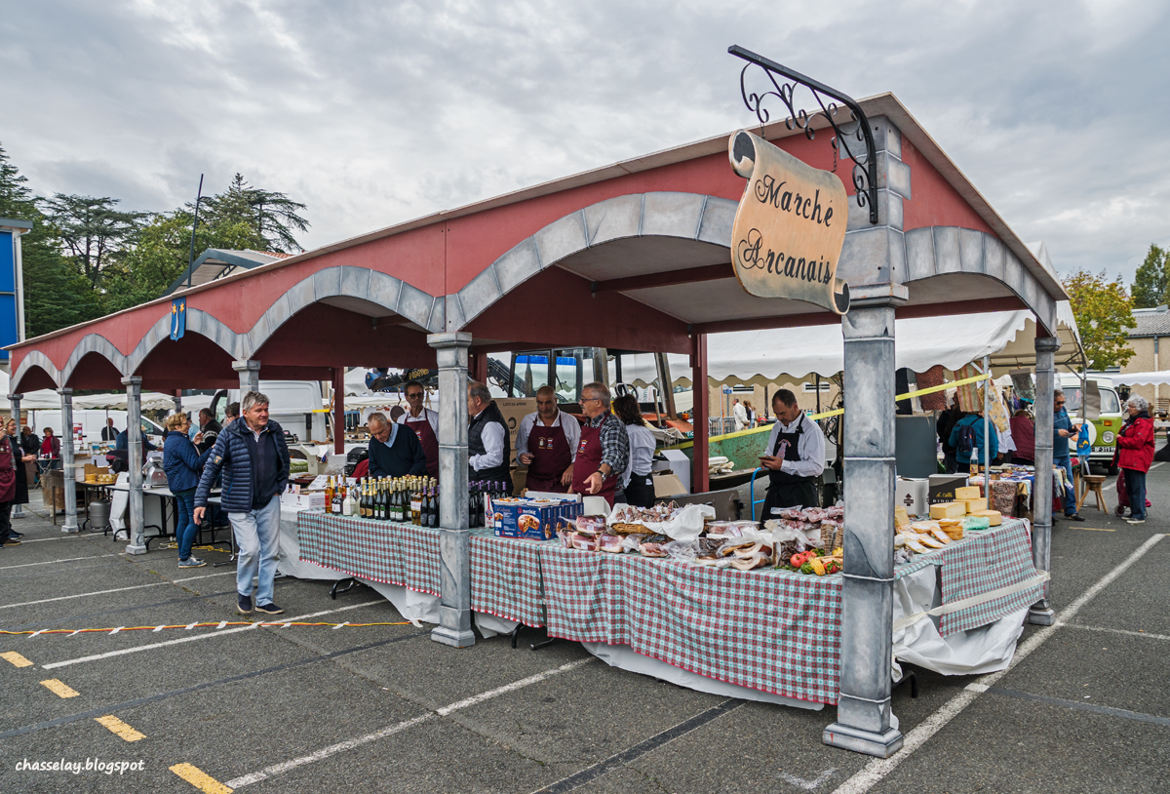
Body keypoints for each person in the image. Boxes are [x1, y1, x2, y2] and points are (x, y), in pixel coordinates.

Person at [193, 391, 290, 616]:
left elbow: (284, 461)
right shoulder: (229, 434)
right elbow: (211, 468)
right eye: (259, 410)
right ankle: (244, 592)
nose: (264, 414)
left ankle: (265, 599)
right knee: (251, 549)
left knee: (271, 552)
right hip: (238, 502)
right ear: (245, 413)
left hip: (269, 500)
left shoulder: (274, 430)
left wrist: (279, 488)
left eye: (266, 409)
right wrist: (200, 501)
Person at [760, 389, 825, 516]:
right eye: (776, 414)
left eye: (783, 413)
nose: (779, 417)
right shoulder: (777, 427)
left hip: (800, 496)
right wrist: (767, 460)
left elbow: (817, 467)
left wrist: (783, 465)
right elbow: (770, 452)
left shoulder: (811, 430)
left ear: (794, 407)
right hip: (776, 495)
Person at [163, 413, 212, 568]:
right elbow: (195, 463)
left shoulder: (171, 440)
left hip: (177, 485)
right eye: (185, 423)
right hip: (188, 484)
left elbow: (184, 457)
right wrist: (211, 450)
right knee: (195, 520)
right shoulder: (180, 441)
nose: (189, 425)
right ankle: (185, 557)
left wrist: (194, 444)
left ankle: (183, 554)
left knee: (183, 519)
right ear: (177, 426)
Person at [570, 382, 628, 506]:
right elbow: (584, 459)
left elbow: (613, 455)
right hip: (582, 496)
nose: (580, 403)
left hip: (604, 499)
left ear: (597, 402)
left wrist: (600, 474)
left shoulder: (612, 425)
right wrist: (573, 486)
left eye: (584, 400)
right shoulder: (588, 423)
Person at [515, 385, 579, 493]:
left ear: (555, 400)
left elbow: (579, 452)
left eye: (548, 403)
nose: (544, 407)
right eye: (540, 403)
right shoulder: (527, 421)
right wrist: (522, 457)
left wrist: (573, 466)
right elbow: (520, 450)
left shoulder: (570, 421)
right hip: (534, 484)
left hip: (562, 483)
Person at [1116, 395, 1154, 525]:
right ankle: (1134, 512)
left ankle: (1139, 514)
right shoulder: (1134, 421)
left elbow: (1138, 442)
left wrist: (1121, 439)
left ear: (1139, 408)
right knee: (1131, 488)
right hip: (1130, 460)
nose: (1129, 409)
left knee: (1137, 487)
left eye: (1132, 407)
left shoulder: (1142, 422)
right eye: (1129, 406)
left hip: (1138, 459)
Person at [613, 394, 656, 507]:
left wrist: (622, 484)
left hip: (633, 484)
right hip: (648, 481)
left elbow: (627, 462)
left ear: (620, 412)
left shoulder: (626, 432)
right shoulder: (647, 431)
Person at [467, 381, 512, 488]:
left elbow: (495, 458)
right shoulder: (479, 418)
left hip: (492, 488)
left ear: (477, 401)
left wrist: (470, 460)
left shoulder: (491, 424)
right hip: (481, 484)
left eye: (467, 400)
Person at [1051, 389, 1085, 522]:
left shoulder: (1063, 410)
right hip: (1052, 454)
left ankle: (1071, 511)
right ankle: (1051, 514)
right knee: (1053, 484)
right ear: (1051, 401)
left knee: (1068, 482)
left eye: (1063, 403)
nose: (1060, 405)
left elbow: (1068, 426)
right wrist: (1056, 432)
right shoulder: (1045, 413)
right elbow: (1038, 431)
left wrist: (1073, 428)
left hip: (1064, 453)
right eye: (1058, 403)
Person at [397, 380, 439, 478]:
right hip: (410, 473)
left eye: (420, 395)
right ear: (406, 397)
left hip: (432, 472)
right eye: (413, 396)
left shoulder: (435, 418)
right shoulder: (401, 420)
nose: (417, 398)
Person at [366, 411, 426, 478]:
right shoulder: (373, 442)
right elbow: (373, 467)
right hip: (386, 485)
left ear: (388, 424)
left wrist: (411, 474)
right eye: (374, 434)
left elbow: (420, 460)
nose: (378, 437)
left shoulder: (407, 433)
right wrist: (385, 478)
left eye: (380, 432)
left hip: (412, 482)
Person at [4, 418, 30, 540]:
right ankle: (5, 532)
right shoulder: (5, 440)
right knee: (6, 505)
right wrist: (23, 458)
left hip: (15, 474)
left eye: (15, 425)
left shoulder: (12, 439)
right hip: (8, 475)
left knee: (9, 504)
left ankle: (7, 529)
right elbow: (9, 456)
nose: (15, 427)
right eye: (12, 425)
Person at [0, 426, 17, 548]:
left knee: (5, 508)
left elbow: (10, 459)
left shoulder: (6, 440)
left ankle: (4, 536)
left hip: (7, 478)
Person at [936, 393, 962, 474]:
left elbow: (939, 427)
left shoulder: (949, 413)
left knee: (952, 473)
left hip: (954, 449)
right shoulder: (948, 413)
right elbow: (939, 427)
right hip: (951, 449)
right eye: (956, 398)